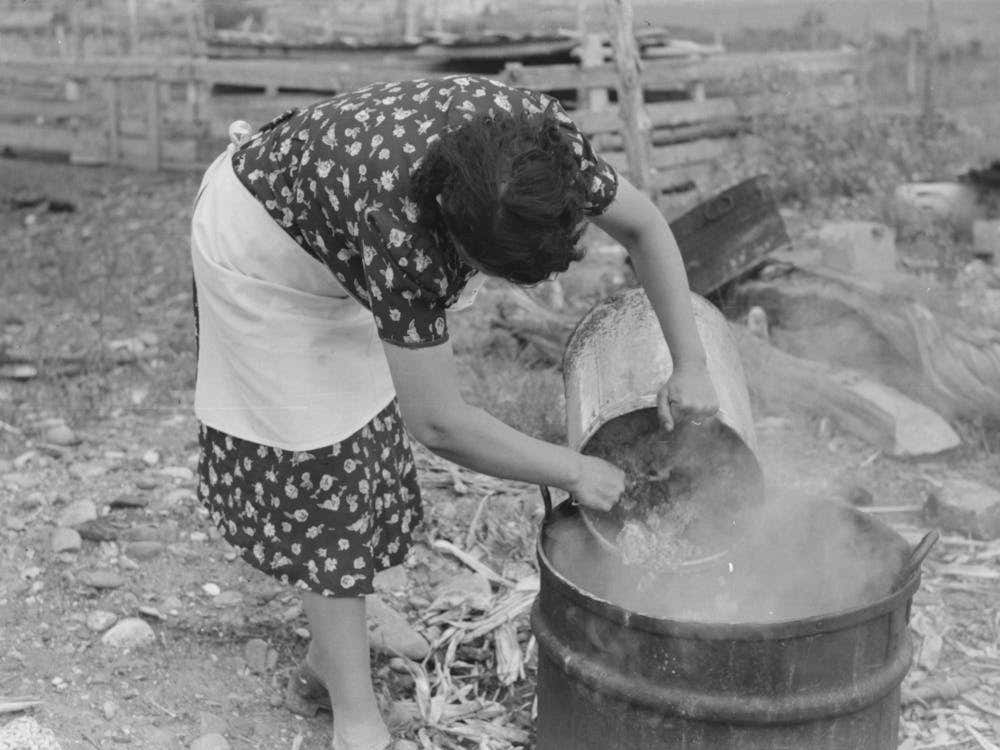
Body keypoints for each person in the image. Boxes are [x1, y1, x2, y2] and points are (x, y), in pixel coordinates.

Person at [190, 74, 718, 750]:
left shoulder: (540, 153)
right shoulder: (399, 230)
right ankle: (354, 722)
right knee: (321, 468)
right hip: (263, 252)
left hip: (336, 230)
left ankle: (333, 647)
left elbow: (644, 227)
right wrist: (574, 471)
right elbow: (437, 422)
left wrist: (691, 363)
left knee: (364, 428)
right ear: (448, 224)